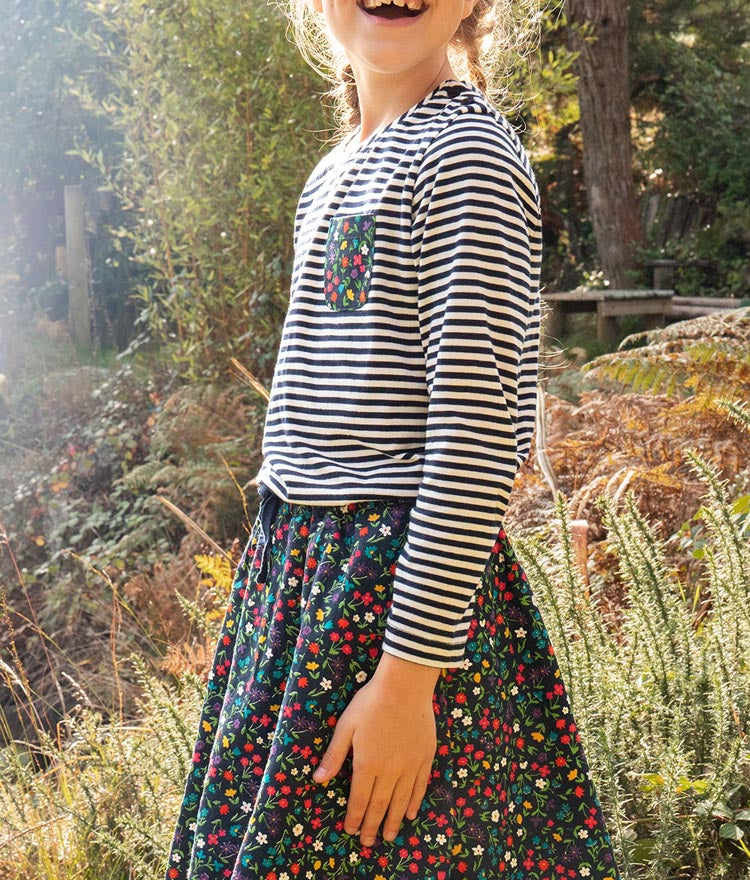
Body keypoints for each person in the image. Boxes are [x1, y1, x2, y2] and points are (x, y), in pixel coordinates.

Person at [165, 1, 621, 878]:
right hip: (305, 590)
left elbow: (481, 435)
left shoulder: (465, 156)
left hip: (395, 605)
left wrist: (409, 682)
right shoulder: (338, 169)